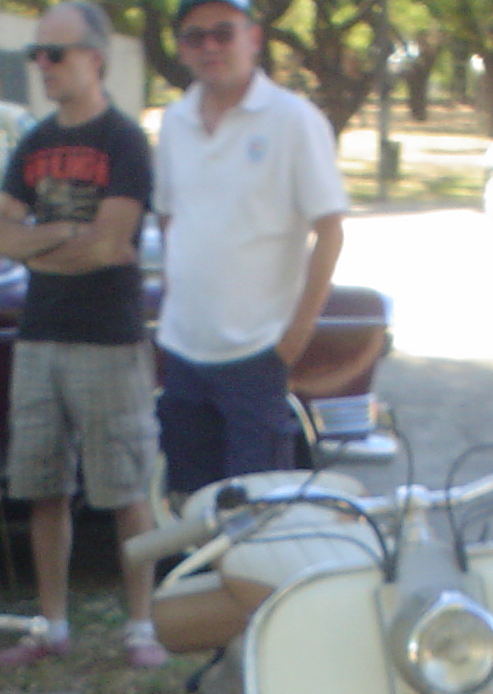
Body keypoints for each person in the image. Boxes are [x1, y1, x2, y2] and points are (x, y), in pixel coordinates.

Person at [0, 0, 166, 669]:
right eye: (36, 54)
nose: (43, 65)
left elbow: (111, 245)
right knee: (43, 489)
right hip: (39, 338)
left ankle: (140, 627)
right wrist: (64, 235)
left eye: (54, 53)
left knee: (125, 490)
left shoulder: (123, 140)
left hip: (108, 339)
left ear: (95, 57)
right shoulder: (33, 142)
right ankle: (50, 626)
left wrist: (36, 243)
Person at [152, 0, 347, 494]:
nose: (210, 46)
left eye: (224, 32)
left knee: (258, 511)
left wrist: (294, 339)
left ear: (254, 38)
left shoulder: (293, 120)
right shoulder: (175, 121)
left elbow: (330, 231)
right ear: (182, 49)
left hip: (256, 354)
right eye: (195, 37)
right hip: (183, 351)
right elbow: (168, 217)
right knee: (193, 508)